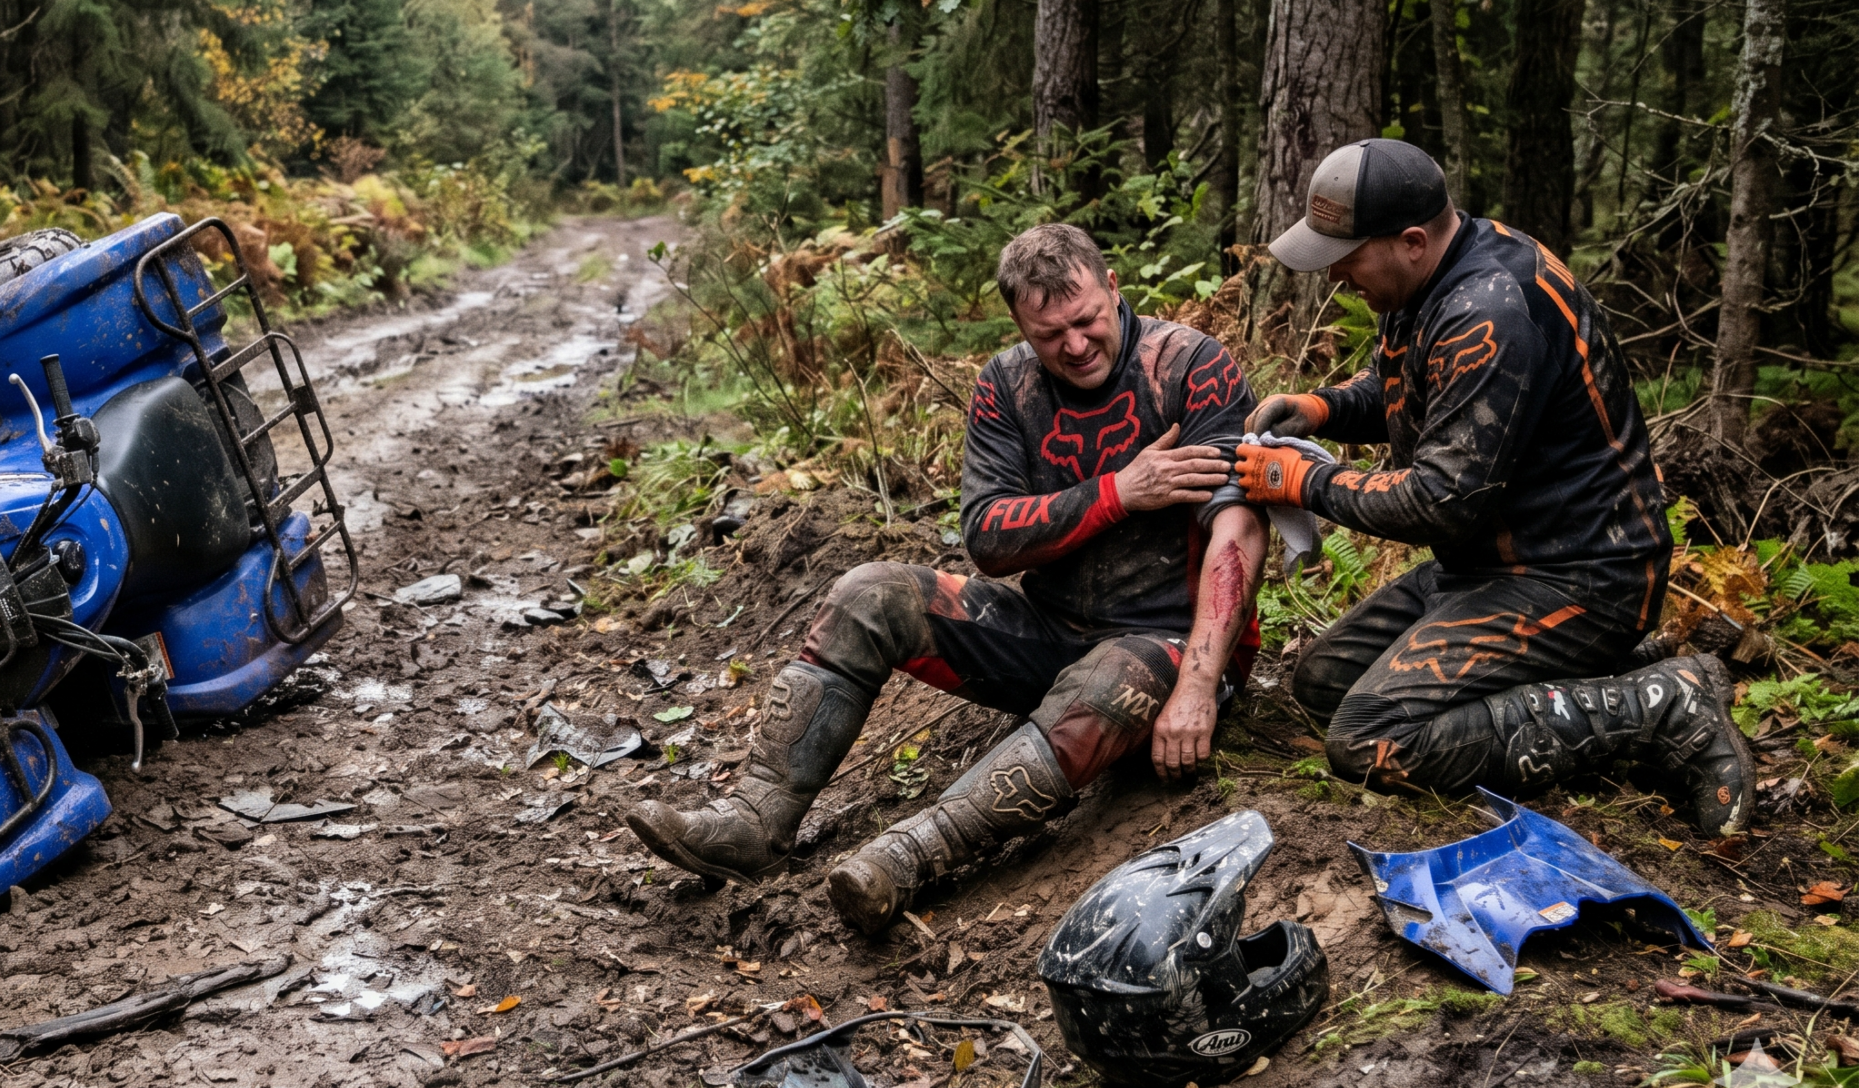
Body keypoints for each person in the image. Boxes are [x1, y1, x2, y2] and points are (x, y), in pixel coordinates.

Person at [625, 223, 1268, 933]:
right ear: (1022, 326)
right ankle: (754, 820)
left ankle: (909, 858)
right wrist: (1119, 491)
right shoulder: (1007, 383)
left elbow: (1235, 530)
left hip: (1171, 649)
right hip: (1051, 631)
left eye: (1087, 320)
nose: (1076, 345)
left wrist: (1202, 685)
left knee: (1104, 681)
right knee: (867, 593)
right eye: (1051, 334)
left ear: (1113, 289)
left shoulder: (1188, 366)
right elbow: (989, 538)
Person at [1231, 137, 1748, 834]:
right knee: (1323, 684)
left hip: (1582, 577)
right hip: (1490, 565)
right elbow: (1423, 386)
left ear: (1410, 241)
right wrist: (1325, 407)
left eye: (1345, 259)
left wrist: (1306, 482)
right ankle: (1613, 677)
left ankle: (1659, 705)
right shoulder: (1434, 274)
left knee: (1372, 738)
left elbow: (1437, 501)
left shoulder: (1492, 311)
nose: (1334, 279)